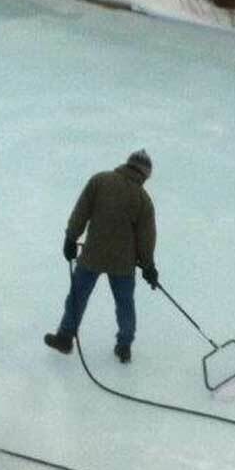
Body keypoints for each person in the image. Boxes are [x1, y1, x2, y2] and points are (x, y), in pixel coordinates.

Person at [44, 150, 159, 364]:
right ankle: (124, 346)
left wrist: (70, 238)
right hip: (123, 264)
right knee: (125, 304)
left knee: (77, 296)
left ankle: (65, 337)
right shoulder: (143, 199)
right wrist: (148, 266)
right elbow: (146, 238)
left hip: (92, 255)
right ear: (144, 174)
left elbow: (81, 211)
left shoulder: (100, 180)